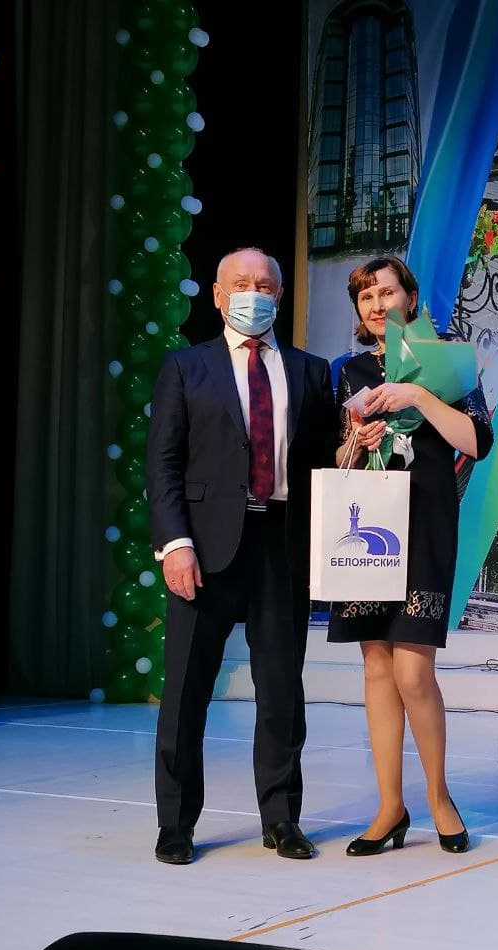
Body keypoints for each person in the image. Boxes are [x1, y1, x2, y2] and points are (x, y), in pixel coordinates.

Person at [146, 247, 338, 865]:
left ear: (279, 296)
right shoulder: (185, 366)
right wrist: (175, 543)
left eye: (265, 285)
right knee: (186, 692)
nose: (254, 294)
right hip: (203, 547)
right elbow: (163, 463)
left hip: (282, 543)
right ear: (218, 294)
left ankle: (281, 818)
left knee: (281, 692)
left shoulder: (311, 371)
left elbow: (325, 463)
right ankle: (175, 824)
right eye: (241, 283)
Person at [329, 254, 494, 856]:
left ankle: (439, 796)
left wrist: (418, 395)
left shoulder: (443, 358)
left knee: (413, 671)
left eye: (386, 292)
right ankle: (389, 807)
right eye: (365, 296)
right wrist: (357, 438)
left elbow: (477, 440)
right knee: (377, 666)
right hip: (369, 521)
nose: (377, 304)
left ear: (410, 297)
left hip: (424, 522)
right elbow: (338, 460)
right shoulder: (349, 371)